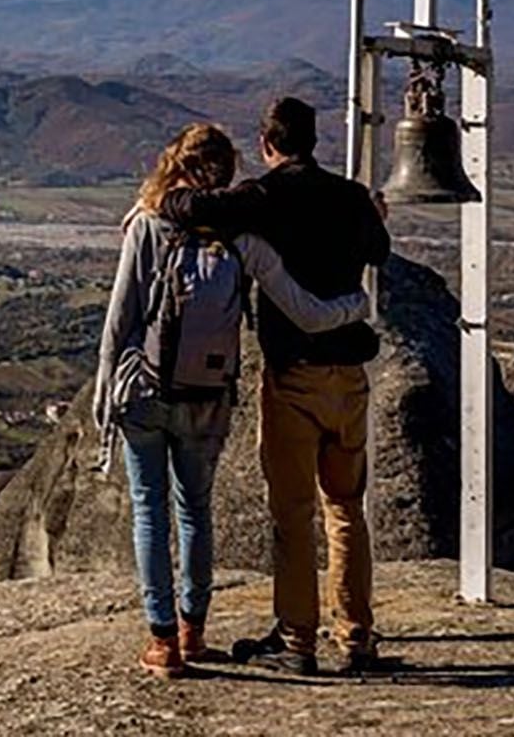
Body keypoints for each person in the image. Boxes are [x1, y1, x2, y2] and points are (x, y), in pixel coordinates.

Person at [94, 122, 370, 679]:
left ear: (175, 167)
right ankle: (195, 631)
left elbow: (119, 321)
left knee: (150, 511)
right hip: (208, 397)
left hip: (146, 392)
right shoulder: (244, 242)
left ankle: (163, 642)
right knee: (194, 509)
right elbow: (307, 312)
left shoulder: (147, 225)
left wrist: (107, 396)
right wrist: (356, 306)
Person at [157, 97, 391, 676]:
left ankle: (298, 643)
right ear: (313, 141)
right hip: (350, 379)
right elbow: (379, 250)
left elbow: (180, 206)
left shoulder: (264, 197)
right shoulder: (351, 198)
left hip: (294, 378)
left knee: (292, 514)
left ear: (267, 145)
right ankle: (357, 636)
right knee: (346, 509)